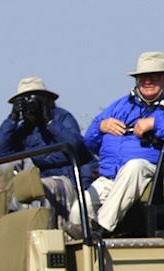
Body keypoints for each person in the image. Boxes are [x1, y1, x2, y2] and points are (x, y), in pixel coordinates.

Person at [67, 52, 164, 238]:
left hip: (151, 170)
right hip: (112, 175)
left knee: (134, 166)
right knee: (79, 212)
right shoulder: (121, 105)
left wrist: (154, 123)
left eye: (154, 76)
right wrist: (101, 126)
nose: (148, 81)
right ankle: (83, 252)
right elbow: (89, 141)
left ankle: (102, 228)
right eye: (143, 77)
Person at [0, 76, 94, 223]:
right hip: (47, 181)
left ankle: (48, 232)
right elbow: (0, 150)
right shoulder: (25, 129)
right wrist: (12, 119)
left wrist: (49, 122)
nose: (30, 105)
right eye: (24, 101)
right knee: (23, 193)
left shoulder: (61, 117)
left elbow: (75, 145)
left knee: (42, 189)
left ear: (46, 99)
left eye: (34, 99)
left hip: (74, 181)